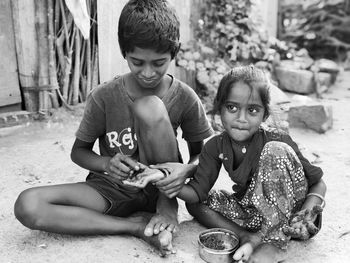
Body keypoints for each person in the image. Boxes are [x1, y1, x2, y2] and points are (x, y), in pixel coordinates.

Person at [14, 0, 213, 256]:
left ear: (174, 54)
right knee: (28, 205)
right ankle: (134, 226)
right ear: (124, 52)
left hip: (160, 188)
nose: (148, 72)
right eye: (137, 62)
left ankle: (165, 207)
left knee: (150, 106)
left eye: (159, 63)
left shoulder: (184, 96)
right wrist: (108, 164)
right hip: (113, 188)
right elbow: (79, 152)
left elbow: (202, 155)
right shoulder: (104, 96)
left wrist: (184, 170)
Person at [170, 65, 326, 263]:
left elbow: (319, 183)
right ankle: (251, 236)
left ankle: (274, 244)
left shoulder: (276, 139)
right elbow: (197, 193)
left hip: (296, 219)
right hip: (257, 213)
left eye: (252, 110)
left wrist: (307, 212)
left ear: (265, 114)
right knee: (197, 204)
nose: (241, 119)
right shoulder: (215, 146)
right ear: (219, 108)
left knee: (273, 151)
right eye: (232, 108)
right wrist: (166, 182)